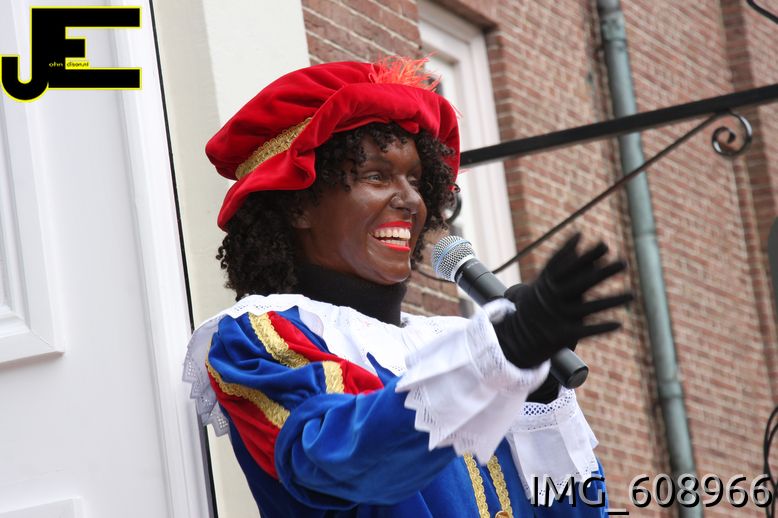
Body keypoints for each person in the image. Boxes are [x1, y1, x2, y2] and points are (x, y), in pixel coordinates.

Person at [183, 57, 633, 517]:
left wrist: (539, 394)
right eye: (376, 176)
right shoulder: (262, 335)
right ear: (299, 204)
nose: (411, 200)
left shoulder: (450, 342)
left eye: (416, 180)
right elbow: (335, 461)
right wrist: (493, 356)